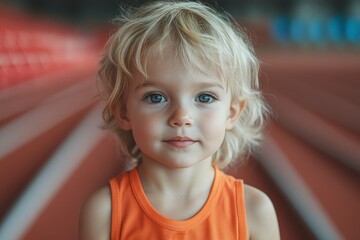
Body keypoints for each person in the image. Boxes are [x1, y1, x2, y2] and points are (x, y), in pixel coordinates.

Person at [79, 1, 280, 239]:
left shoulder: (253, 212)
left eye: (204, 97)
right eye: (156, 97)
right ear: (123, 112)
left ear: (232, 112)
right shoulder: (105, 212)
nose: (181, 117)